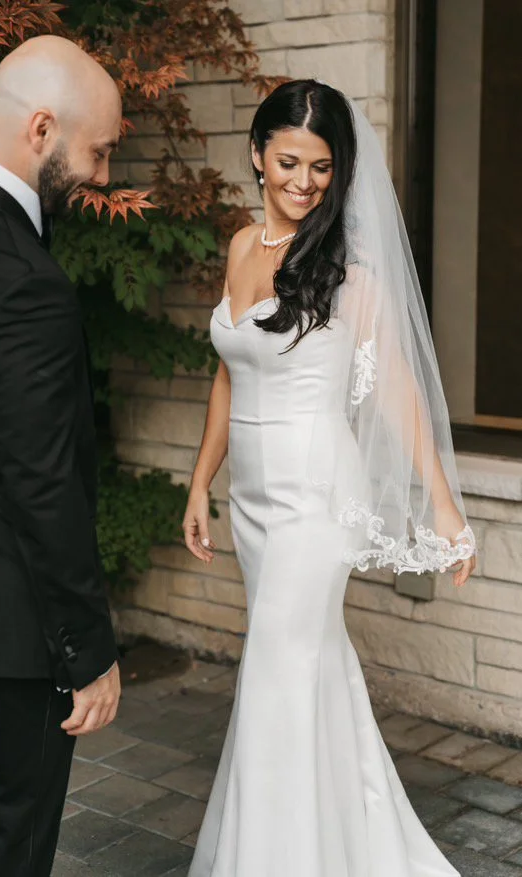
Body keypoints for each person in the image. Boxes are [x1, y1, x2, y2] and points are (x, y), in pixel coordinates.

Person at [183, 80, 476, 877]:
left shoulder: (349, 273)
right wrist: (198, 480)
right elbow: (229, 369)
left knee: (276, 674)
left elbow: (398, 398)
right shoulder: (242, 247)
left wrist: (447, 511)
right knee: (310, 673)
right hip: (251, 504)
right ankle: (351, 846)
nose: (303, 182)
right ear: (257, 155)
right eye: (287, 162)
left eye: (319, 167)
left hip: (316, 499)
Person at [0, 35, 123, 877]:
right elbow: (45, 486)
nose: (105, 176)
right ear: (42, 129)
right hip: (7, 640)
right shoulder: (28, 285)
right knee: (1, 852)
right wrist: (88, 652)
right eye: (100, 150)